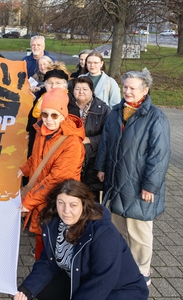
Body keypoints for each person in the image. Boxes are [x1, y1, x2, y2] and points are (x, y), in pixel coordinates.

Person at [14, 180, 149, 300]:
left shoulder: (104, 232)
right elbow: (47, 263)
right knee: (42, 289)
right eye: (61, 203)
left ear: (83, 205)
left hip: (119, 290)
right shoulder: (54, 223)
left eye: (73, 205)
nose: (66, 210)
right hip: (80, 279)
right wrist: (27, 290)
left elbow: (102, 281)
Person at [96, 69, 170, 285]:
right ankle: (124, 265)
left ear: (145, 90)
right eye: (125, 87)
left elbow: (159, 156)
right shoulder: (116, 111)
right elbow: (106, 143)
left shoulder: (156, 117)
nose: (127, 91)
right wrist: (101, 167)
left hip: (139, 185)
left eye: (132, 88)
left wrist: (151, 186)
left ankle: (142, 272)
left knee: (139, 231)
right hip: (116, 181)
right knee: (119, 227)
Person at [17, 88, 85, 260]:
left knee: (54, 249)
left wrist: (28, 201)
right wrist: (24, 169)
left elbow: (57, 179)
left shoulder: (72, 144)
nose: (48, 120)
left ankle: (48, 282)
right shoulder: (42, 132)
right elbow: (37, 158)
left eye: (54, 115)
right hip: (43, 201)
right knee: (43, 245)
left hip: (59, 205)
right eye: (45, 114)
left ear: (64, 114)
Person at [71, 77, 110, 201]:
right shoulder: (67, 106)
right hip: (71, 157)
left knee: (90, 198)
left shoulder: (103, 109)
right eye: (77, 89)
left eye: (85, 89)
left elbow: (109, 134)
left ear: (91, 90)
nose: (81, 92)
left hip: (92, 158)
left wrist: (90, 140)